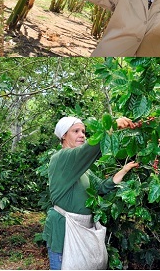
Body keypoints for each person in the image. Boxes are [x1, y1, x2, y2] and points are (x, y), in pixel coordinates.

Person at [43, 116, 140, 270]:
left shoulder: (83, 170)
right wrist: (111, 126)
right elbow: (88, 150)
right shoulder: (61, 158)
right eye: (76, 131)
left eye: (83, 131)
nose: (82, 134)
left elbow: (100, 188)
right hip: (63, 232)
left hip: (82, 230)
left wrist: (123, 171)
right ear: (63, 136)